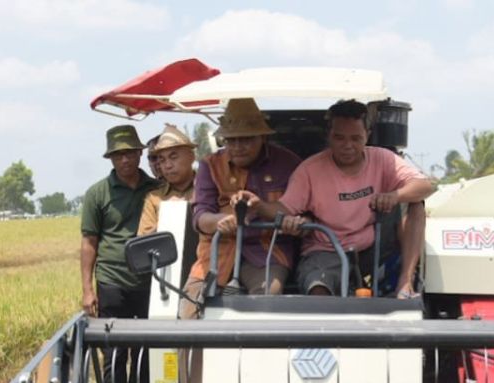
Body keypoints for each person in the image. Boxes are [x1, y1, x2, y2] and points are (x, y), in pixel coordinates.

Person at [254, 99, 435, 298]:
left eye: (356, 138)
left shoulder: (383, 159)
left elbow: (427, 185)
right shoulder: (309, 170)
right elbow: (284, 208)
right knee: (318, 290)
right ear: (328, 136)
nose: (347, 146)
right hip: (327, 249)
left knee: (415, 204)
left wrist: (394, 196)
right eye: (340, 138)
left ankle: (405, 283)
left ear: (368, 136)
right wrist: (256, 205)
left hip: (373, 245)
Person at [180, 98, 300, 320]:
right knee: (188, 309)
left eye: (245, 140)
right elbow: (199, 217)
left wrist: (270, 212)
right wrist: (220, 221)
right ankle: (191, 355)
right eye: (231, 140)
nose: (237, 147)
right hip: (217, 252)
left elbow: (301, 209)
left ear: (262, 137)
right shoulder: (209, 165)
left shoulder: (289, 164)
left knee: (267, 297)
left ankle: (259, 353)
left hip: (267, 251)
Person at [80, 124, 160, 383]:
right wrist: (88, 290)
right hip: (112, 280)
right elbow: (89, 242)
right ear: (111, 159)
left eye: (129, 153)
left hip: (150, 279)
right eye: (118, 155)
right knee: (114, 348)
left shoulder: (156, 188)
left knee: (146, 348)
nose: (124, 159)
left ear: (140, 153)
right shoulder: (97, 193)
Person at [137, 124, 197, 236]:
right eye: (162, 160)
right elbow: (143, 241)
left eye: (173, 157)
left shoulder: (211, 189)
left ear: (191, 156)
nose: (167, 165)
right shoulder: (153, 199)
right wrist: (169, 219)